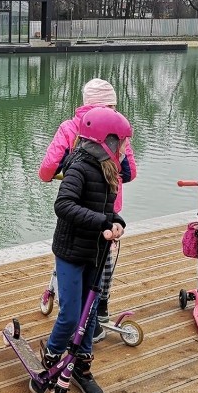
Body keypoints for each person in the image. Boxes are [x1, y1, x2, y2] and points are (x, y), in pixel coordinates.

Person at [31, 106, 132, 393]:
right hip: (71, 251)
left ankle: (82, 365)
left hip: (96, 252)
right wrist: (102, 221)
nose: (126, 149)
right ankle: (50, 357)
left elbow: (107, 209)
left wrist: (115, 221)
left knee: (89, 312)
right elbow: (63, 205)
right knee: (72, 312)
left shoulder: (110, 170)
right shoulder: (80, 166)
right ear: (107, 142)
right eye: (123, 143)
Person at [38, 77, 137, 322]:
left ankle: (74, 312)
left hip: (79, 207)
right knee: (103, 256)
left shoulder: (70, 127)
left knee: (72, 254)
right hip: (108, 208)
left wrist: (59, 174)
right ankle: (100, 307)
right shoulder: (118, 131)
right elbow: (130, 172)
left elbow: (47, 169)